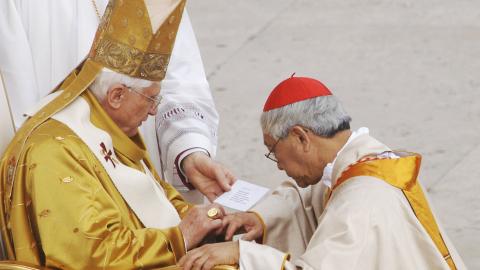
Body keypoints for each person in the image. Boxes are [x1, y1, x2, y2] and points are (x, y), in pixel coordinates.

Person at [0, 1, 226, 268]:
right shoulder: (52, 152)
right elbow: (86, 253)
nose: (155, 111)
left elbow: (179, 77)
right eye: (151, 100)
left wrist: (188, 153)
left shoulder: (118, 130)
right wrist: (179, 237)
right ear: (116, 95)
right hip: (57, 169)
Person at [178, 76, 467, 270]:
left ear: (301, 137)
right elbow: (305, 198)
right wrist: (260, 219)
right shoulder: (360, 161)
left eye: (273, 150)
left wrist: (243, 255)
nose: (277, 164)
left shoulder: (362, 203)